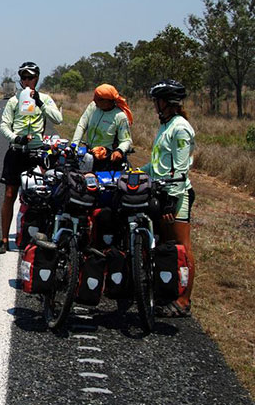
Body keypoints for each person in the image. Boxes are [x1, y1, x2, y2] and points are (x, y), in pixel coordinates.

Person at [141, 79, 196, 317]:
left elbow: (181, 169)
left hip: (177, 194)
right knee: (167, 246)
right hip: (161, 191)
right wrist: (136, 172)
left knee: (183, 247)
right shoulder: (166, 125)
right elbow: (158, 164)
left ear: (166, 102)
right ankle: (168, 290)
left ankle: (184, 300)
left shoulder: (180, 128)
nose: (155, 105)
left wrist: (172, 199)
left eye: (157, 101)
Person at [0, 61, 62, 254]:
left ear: (36, 79)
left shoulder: (45, 98)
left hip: (37, 152)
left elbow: (58, 119)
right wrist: (16, 137)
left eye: (30, 78)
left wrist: (40, 103)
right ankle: (4, 239)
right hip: (17, 150)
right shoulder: (14, 100)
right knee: (10, 194)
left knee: (45, 194)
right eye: (23, 78)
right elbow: (4, 125)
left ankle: (44, 235)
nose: (26, 82)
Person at [72, 84, 133, 170]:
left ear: (108, 101)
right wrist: (74, 145)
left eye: (98, 99)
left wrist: (119, 151)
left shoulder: (120, 116)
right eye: (95, 97)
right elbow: (82, 124)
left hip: (106, 159)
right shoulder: (93, 106)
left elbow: (126, 140)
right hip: (89, 155)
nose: (94, 100)